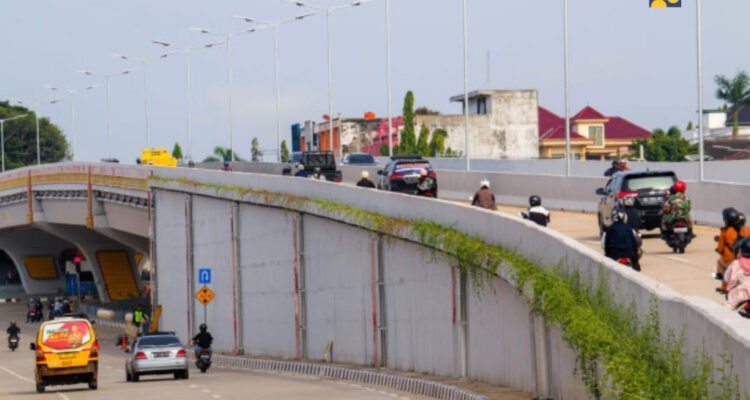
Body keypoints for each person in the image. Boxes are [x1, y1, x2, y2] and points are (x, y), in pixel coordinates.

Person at [714, 207, 750, 294]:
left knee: (720, 262)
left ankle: (724, 286)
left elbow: (720, 248)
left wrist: (719, 250)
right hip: (746, 258)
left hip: (730, 259)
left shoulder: (725, 231)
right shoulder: (746, 229)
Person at [724, 238, 750, 309]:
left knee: (726, 310)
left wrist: (728, 289)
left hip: (742, 295)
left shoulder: (737, 263)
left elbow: (730, 279)